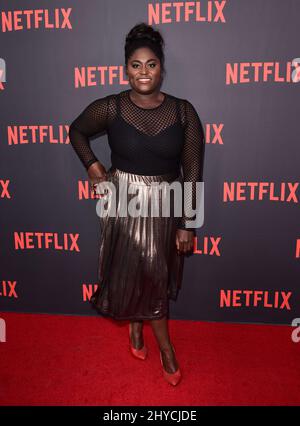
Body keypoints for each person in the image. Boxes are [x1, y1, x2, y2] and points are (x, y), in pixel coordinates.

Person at [68, 22, 205, 386]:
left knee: (155, 274)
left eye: (151, 64)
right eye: (135, 64)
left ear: (162, 67)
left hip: (166, 203)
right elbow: (76, 130)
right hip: (124, 201)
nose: (143, 72)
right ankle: (166, 349)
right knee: (138, 271)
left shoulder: (183, 113)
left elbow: (192, 171)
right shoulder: (111, 107)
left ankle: (137, 330)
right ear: (125, 68)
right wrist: (93, 165)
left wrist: (187, 223)